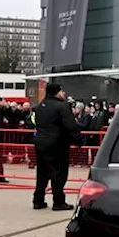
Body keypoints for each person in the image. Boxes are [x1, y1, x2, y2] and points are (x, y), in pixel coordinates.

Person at [33, 82, 81, 211]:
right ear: (56, 92)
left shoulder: (38, 107)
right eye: (61, 91)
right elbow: (70, 125)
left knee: (42, 172)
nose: (63, 93)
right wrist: (79, 139)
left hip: (40, 143)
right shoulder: (62, 106)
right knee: (59, 173)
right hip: (57, 143)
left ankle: (38, 200)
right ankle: (58, 201)